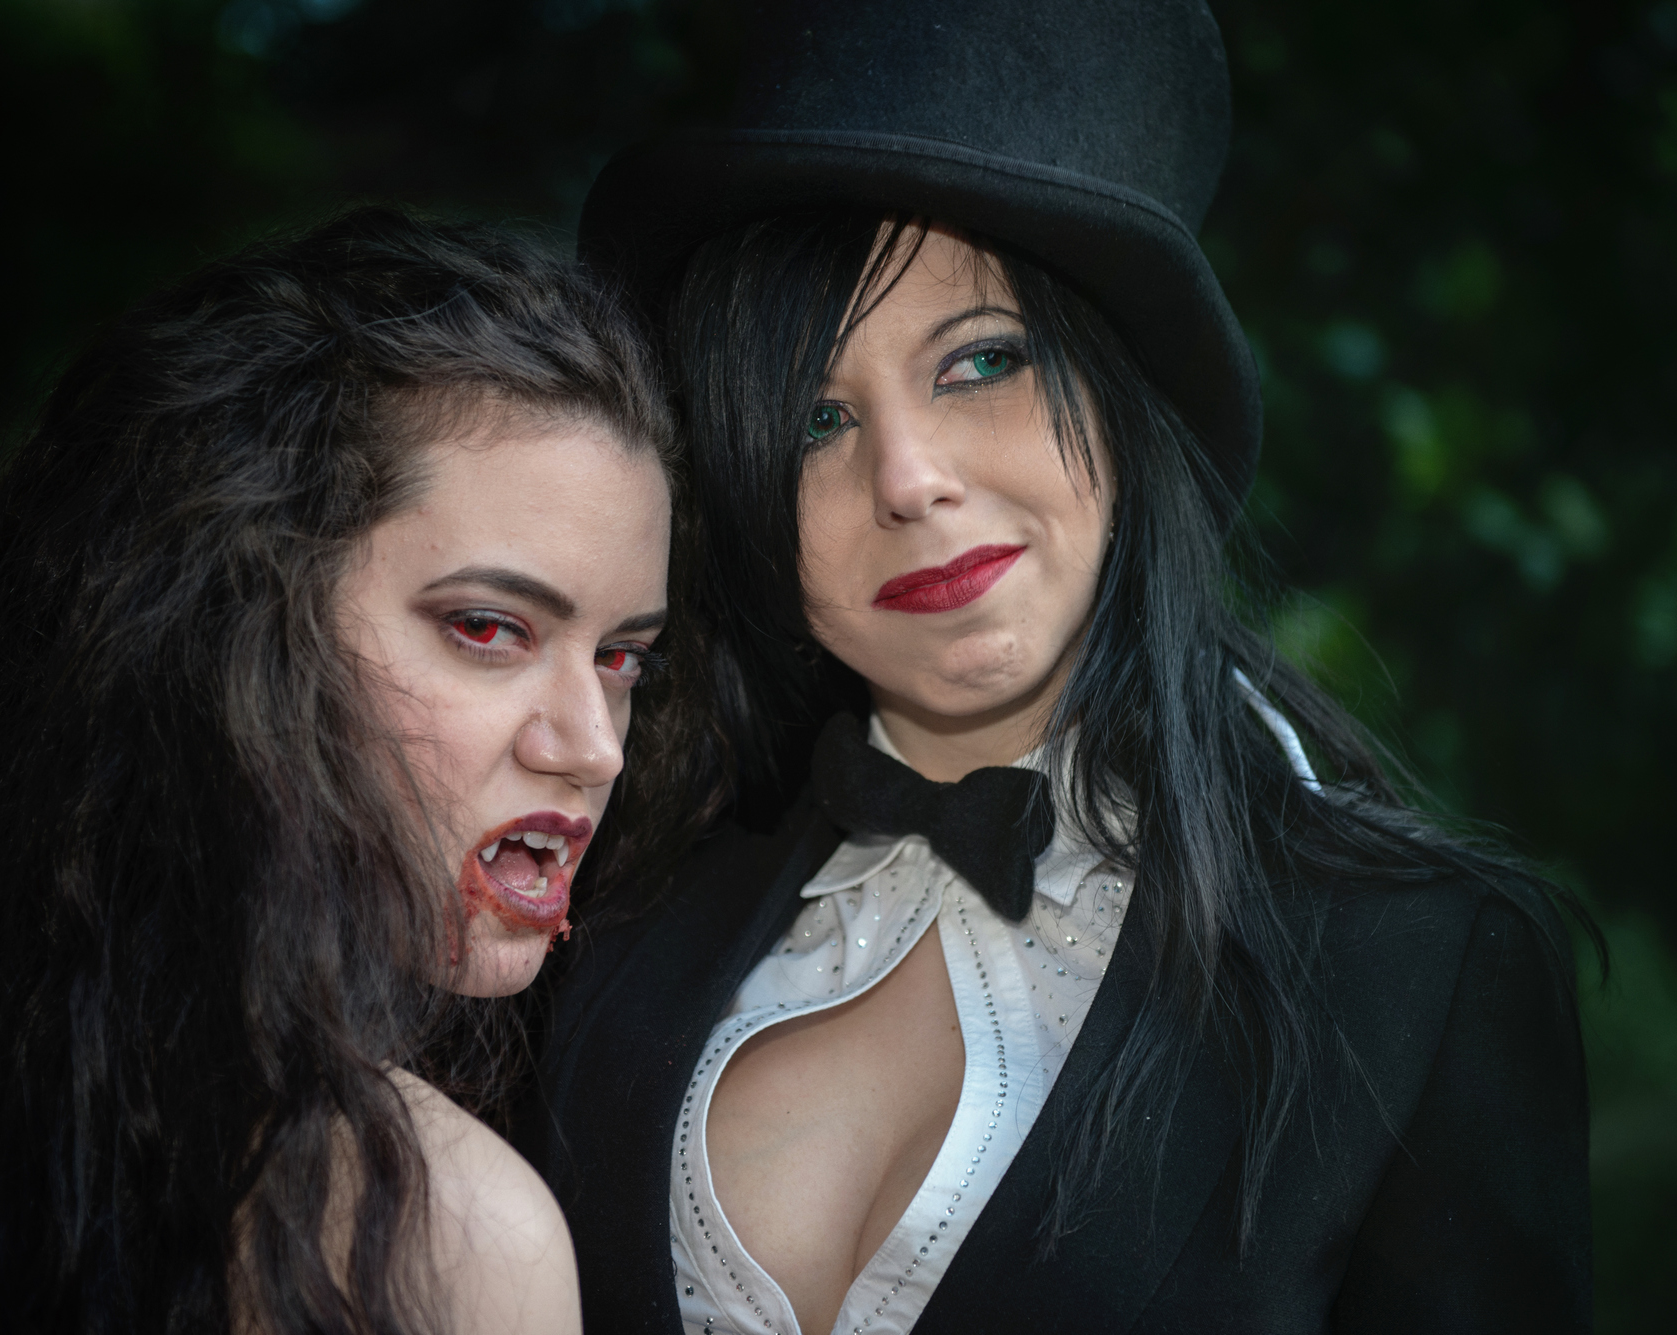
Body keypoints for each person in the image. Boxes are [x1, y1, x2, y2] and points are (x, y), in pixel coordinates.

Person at [517, 2, 1595, 1332]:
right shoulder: (608, 899)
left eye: (980, 362)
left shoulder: (1420, 969)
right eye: (814, 420)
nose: (907, 478)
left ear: (1124, 393)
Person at [0, 207, 691, 1335]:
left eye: (622, 657)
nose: (592, 745)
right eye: (488, 628)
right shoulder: (447, 1233)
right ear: (232, 634)